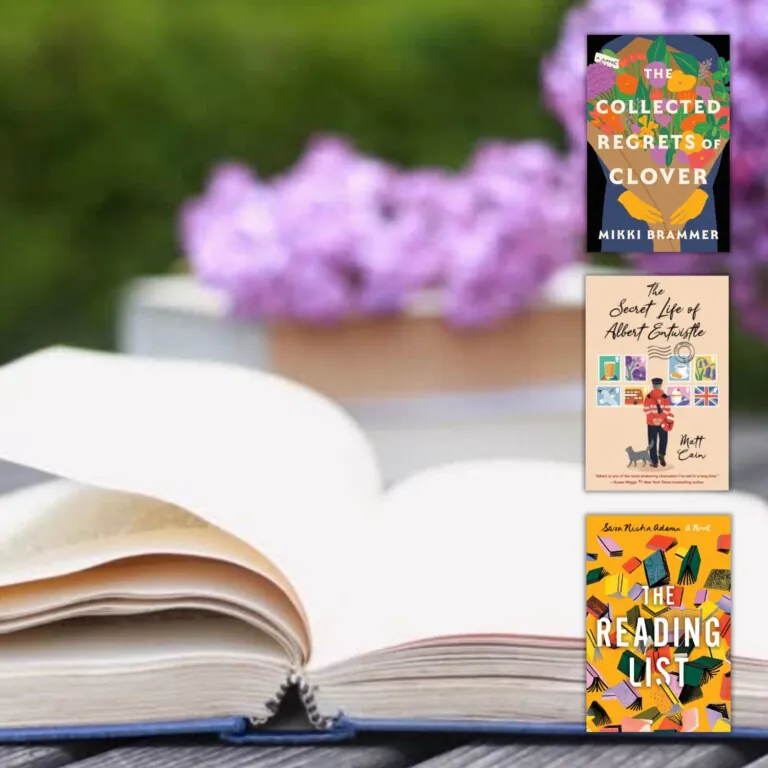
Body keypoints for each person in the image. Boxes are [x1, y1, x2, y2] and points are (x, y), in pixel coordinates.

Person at [643, 377, 675, 468]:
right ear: (660, 385)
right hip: (663, 422)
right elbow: (667, 410)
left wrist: (653, 419)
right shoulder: (665, 396)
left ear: (653, 385)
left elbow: (646, 410)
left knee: (652, 442)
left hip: (651, 423)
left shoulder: (648, 396)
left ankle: (654, 462)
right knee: (663, 439)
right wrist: (660, 419)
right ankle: (661, 455)